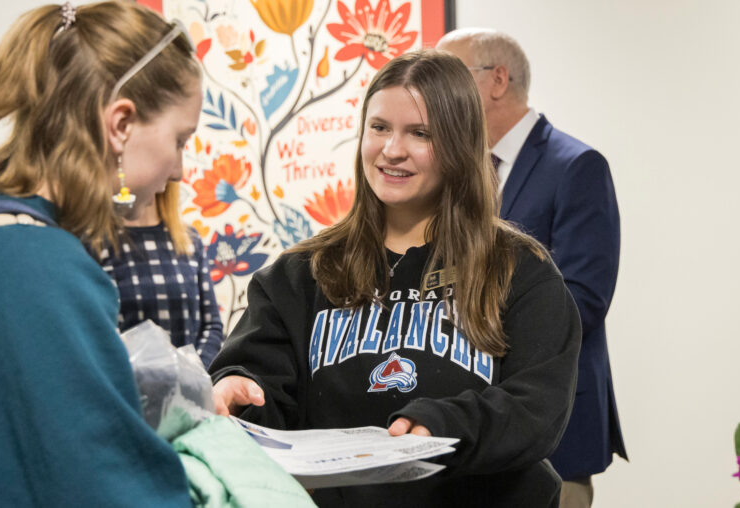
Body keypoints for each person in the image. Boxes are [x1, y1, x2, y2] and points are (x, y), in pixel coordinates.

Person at [209, 49, 582, 507]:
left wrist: (441, 426)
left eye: (420, 133)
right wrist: (237, 386)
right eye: (379, 127)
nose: (392, 150)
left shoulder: (518, 269)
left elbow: (537, 409)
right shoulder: (300, 273)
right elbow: (259, 383)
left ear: (460, 145)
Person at [0, 2, 201, 505]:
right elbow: (102, 487)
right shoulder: (31, 264)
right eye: (180, 140)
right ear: (121, 123)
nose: (180, 171)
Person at [437, 28, 626, 508]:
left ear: (497, 80)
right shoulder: (458, 174)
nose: (438, 94)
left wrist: (473, 333)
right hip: (475, 434)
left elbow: (582, 300)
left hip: (552, 425)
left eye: (450, 77)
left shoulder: (577, 166)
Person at [99, 181, 224, 368]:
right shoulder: (99, 244)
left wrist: (194, 375)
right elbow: (100, 332)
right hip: (129, 389)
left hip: (192, 390)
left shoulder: (189, 240)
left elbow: (212, 325)